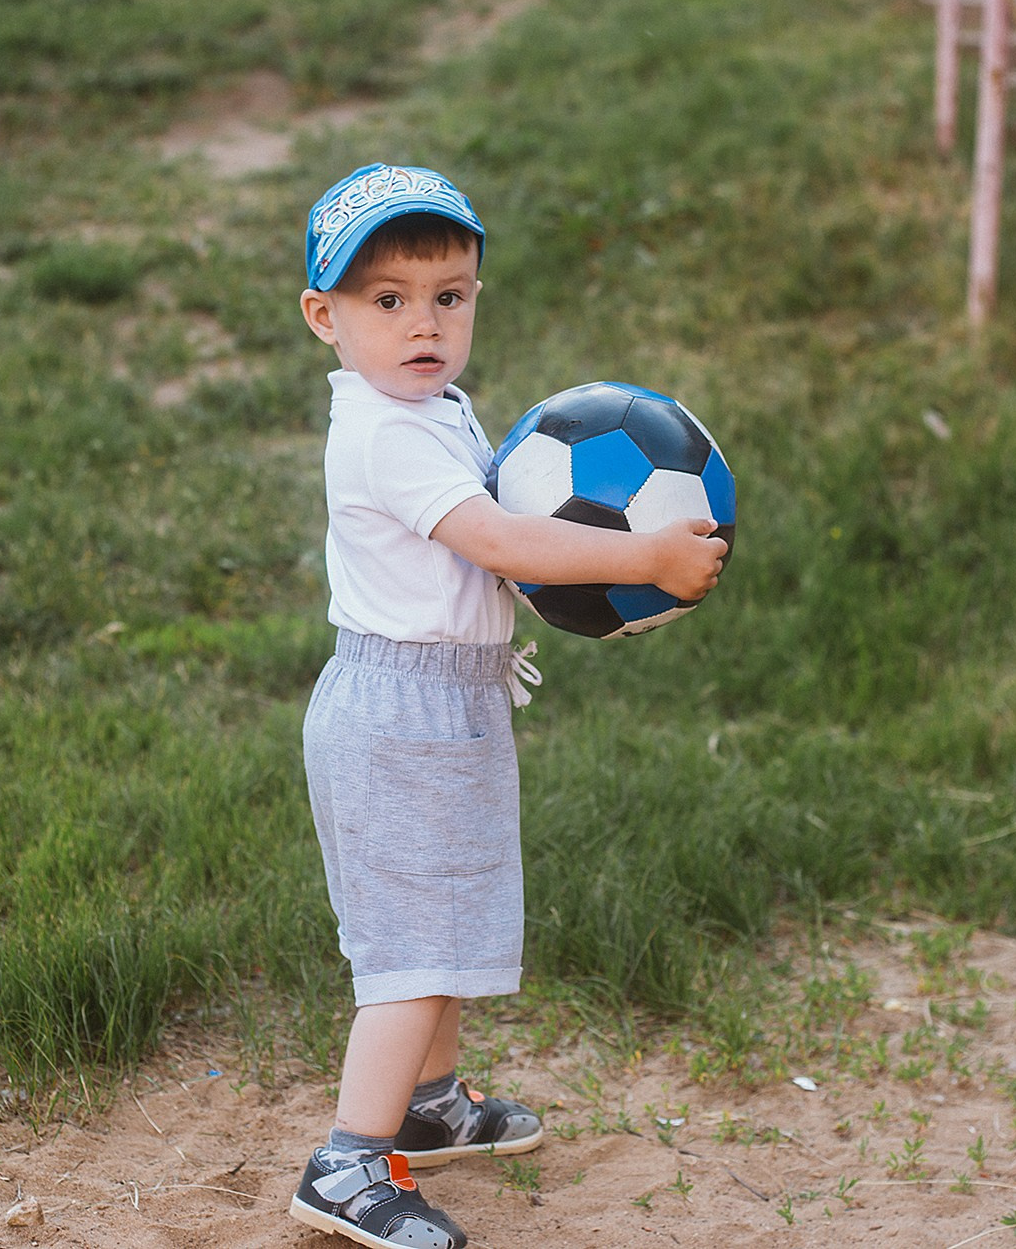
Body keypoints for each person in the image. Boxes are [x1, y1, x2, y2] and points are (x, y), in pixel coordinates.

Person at [288, 163, 727, 1249]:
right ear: (323, 317)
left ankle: (429, 1107)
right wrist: (645, 555)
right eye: (385, 301)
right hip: (397, 721)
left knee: (445, 927)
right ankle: (345, 1163)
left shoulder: (430, 407)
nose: (421, 323)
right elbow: (496, 540)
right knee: (406, 951)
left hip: (445, 708)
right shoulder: (382, 434)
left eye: (447, 294)